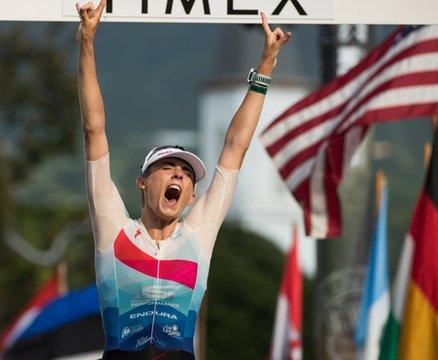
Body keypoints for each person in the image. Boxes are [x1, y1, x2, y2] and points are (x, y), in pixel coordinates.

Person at [77, 1, 291, 358]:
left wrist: (266, 67)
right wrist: (86, 43)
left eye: (187, 173)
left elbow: (235, 148)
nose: (179, 173)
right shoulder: (114, 229)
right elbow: (93, 130)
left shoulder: (198, 235)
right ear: (142, 183)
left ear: (191, 195)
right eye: (167, 167)